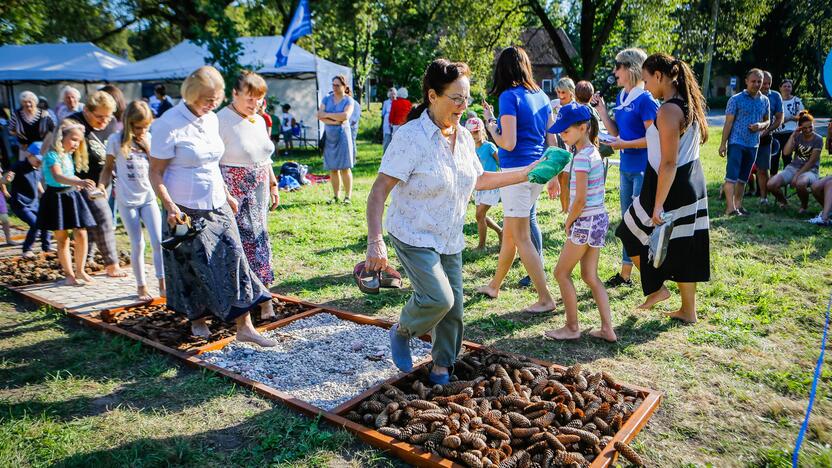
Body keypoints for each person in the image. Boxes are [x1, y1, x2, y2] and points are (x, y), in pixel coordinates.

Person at [364, 59, 540, 384]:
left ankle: (442, 366)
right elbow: (377, 193)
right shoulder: (411, 137)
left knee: (455, 308)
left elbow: (480, 179)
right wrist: (375, 241)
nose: (463, 106)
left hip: (449, 236)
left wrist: (529, 172)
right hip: (414, 233)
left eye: (466, 98)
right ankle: (403, 330)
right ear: (433, 95)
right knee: (439, 299)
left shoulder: (461, 136)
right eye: (456, 98)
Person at [149, 66, 277, 345]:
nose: (213, 104)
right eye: (208, 99)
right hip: (182, 207)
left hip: (217, 201)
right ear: (192, 95)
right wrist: (169, 205)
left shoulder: (209, 120)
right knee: (190, 264)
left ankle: (245, 327)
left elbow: (212, 162)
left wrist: (225, 193)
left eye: (217, 99)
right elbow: (155, 172)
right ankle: (197, 319)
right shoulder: (167, 124)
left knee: (234, 257)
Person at [616, 53, 711, 322]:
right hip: (692, 179)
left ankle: (656, 288)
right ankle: (688, 311)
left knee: (629, 231)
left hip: (668, 182)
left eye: (646, 80)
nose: (645, 87)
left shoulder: (668, 110)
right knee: (683, 245)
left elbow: (668, 162)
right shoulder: (686, 104)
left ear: (659, 76)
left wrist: (658, 203)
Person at [476, 46, 556, 313]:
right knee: (510, 234)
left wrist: (490, 125)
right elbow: (551, 139)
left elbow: (507, 143)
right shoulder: (542, 95)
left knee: (521, 237)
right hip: (537, 171)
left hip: (515, 175)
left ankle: (545, 298)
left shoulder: (509, 96)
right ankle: (494, 285)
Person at [544, 102, 615, 342]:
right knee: (590, 276)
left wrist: (569, 220)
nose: (562, 135)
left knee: (561, 272)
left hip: (585, 221)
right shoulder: (591, 152)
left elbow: (581, 199)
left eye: (566, 131)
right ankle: (607, 328)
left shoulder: (583, 157)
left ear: (583, 127)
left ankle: (572, 327)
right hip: (598, 219)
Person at [591, 48, 659, 289]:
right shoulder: (622, 97)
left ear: (630, 68)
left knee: (640, 224)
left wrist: (623, 144)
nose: (614, 71)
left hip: (643, 168)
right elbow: (617, 132)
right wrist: (601, 111)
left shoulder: (646, 99)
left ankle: (650, 275)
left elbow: (653, 138)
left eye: (618, 66)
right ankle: (626, 275)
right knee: (627, 223)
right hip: (626, 168)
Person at [218, 70, 280, 286]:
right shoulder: (221, 120)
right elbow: (211, 161)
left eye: (259, 98)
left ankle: (262, 288)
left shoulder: (260, 120)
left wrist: (273, 183)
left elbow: (265, 155)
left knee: (260, 236)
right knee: (240, 241)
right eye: (250, 98)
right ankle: (242, 288)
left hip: (260, 186)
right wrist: (224, 193)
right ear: (234, 93)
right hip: (234, 188)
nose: (255, 103)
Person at [98, 101, 165, 301]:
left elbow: (157, 168)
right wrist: (102, 186)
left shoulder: (149, 139)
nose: (142, 131)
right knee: (138, 243)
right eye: (138, 127)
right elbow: (107, 168)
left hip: (148, 197)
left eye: (145, 127)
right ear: (128, 123)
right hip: (127, 200)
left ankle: (162, 283)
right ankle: (141, 286)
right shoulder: (115, 140)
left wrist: (146, 146)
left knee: (158, 241)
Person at [68, 91, 126, 278]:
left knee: (91, 225)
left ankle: (86, 261)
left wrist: (105, 183)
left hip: (103, 181)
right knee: (104, 218)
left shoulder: (109, 127)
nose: (104, 121)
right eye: (99, 116)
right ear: (86, 110)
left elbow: (109, 158)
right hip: (80, 183)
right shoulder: (72, 124)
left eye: (108, 116)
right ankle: (112, 265)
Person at [36, 119, 97, 286]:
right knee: (62, 238)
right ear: (61, 137)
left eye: (79, 140)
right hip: (56, 198)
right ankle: (69, 275)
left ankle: (80, 270)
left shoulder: (68, 156)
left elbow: (69, 175)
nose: (76, 144)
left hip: (71, 197)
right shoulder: (51, 155)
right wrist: (78, 182)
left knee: (82, 232)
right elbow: (57, 176)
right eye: (73, 139)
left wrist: (84, 183)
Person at [718, 69, 770, 216]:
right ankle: (730, 208)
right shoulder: (735, 99)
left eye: (759, 81)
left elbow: (768, 120)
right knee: (732, 177)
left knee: (743, 178)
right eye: (753, 81)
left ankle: (738, 206)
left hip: (753, 144)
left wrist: (761, 126)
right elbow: (728, 123)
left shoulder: (764, 100)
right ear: (746, 81)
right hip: (736, 142)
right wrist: (723, 144)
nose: (757, 84)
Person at [767, 111, 822, 213]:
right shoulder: (797, 136)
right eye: (805, 128)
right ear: (800, 127)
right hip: (793, 167)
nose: (808, 130)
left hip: (811, 170)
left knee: (800, 183)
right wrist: (793, 135)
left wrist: (797, 176)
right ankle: (784, 201)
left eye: (810, 126)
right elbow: (786, 152)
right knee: (771, 184)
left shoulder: (818, 139)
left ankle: (804, 206)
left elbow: (811, 162)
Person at [5, 142, 49, 256]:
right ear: (29, 155)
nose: (39, 162)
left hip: (34, 203)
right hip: (20, 203)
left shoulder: (37, 169)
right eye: (38, 159)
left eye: (41, 161)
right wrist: (8, 178)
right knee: (35, 224)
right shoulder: (19, 166)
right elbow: (10, 174)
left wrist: (42, 192)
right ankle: (27, 249)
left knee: (45, 222)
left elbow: (37, 181)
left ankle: (46, 247)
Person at [317, 75, 355, 204]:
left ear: (344, 86)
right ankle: (335, 196)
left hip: (342, 136)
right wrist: (334, 119)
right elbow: (319, 115)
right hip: (329, 137)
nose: (334, 87)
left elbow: (345, 116)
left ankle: (347, 197)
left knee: (345, 167)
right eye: (333, 84)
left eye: (337, 85)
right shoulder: (326, 98)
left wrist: (328, 116)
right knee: (332, 168)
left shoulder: (349, 100)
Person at [466, 116, 502, 249]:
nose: (473, 135)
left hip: (492, 184)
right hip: (479, 185)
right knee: (480, 216)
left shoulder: (489, 146)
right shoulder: (470, 149)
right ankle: (500, 231)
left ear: (482, 131)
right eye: (470, 133)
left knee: (479, 214)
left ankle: (481, 246)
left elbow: (501, 163)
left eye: (476, 132)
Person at [754, 71, 783, 204]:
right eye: (763, 83)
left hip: (765, 138)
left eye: (768, 83)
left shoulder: (775, 96)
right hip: (748, 136)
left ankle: (763, 198)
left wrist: (767, 130)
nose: (766, 86)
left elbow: (779, 118)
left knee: (763, 169)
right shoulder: (749, 95)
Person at [9, 91, 56, 161]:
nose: (28, 104)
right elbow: (11, 130)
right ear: (21, 103)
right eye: (24, 102)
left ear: (35, 102)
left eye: (30, 101)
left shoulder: (44, 114)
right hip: (25, 149)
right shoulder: (16, 114)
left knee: (42, 169)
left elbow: (53, 130)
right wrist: (21, 135)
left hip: (42, 148)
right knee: (25, 169)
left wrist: (47, 142)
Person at [772, 79, 804, 174]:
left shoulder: (797, 101)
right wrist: (780, 119)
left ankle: (787, 178)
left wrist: (790, 118)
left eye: (789, 86)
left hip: (790, 133)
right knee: (774, 157)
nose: (787, 88)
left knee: (787, 157)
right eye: (784, 86)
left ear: (791, 88)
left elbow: (803, 116)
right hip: (776, 133)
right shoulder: (775, 101)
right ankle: (773, 178)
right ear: (780, 88)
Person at [347, 88, 361, 156]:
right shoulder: (345, 103)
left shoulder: (355, 104)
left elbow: (356, 117)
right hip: (346, 126)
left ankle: (353, 158)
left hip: (352, 127)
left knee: (352, 141)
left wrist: (350, 124)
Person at [381, 87, 397, 152]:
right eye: (391, 94)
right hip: (387, 121)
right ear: (389, 95)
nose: (393, 95)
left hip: (395, 121)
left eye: (394, 94)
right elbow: (383, 113)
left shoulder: (397, 102)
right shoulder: (386, 102)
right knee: (387, 138)